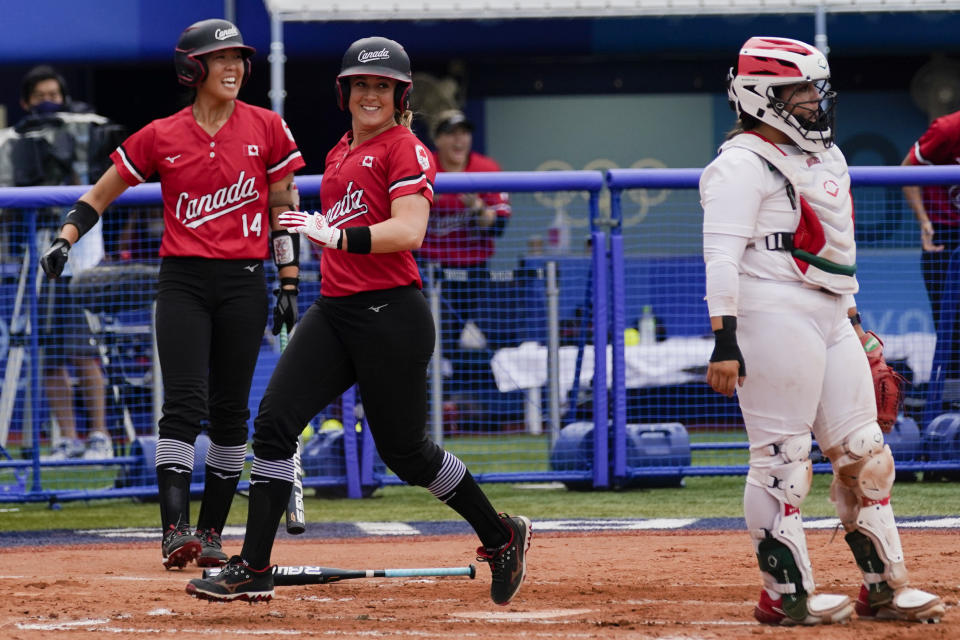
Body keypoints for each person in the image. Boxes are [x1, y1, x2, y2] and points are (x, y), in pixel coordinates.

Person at [184, 36, 531, 606]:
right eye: (362, 84)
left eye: (383, 86)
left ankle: (500, 535)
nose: (371, 94)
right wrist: (323, 237)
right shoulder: (341, 149)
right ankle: (253, 566)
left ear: (400, 96)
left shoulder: (407, 149)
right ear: (345, 92)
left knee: (407, 453)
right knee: (272, 425)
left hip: (392, 314)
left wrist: (336, 234)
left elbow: (409, 230)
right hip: (337, 310)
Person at [38, 19, 306, 571]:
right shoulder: (162, 134)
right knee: (183, 404)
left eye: (239, 58)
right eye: (220, 58)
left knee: (232, 414)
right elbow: (100, 193)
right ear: (193, 68)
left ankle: (210, 533)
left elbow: (283, 208)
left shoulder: (268, 127)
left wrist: (288, 281)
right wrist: (65, 240)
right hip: (182, 280)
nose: (233, 68)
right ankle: (173, 532)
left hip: (242, 282)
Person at [701, 36, 945, 626]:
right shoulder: (738, 163)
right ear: (763, 97)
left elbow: (838, 249)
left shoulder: (827, 158)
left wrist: (855, 321)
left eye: (816, 88)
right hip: (769, 310)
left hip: (831, 310)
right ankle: (783, 595)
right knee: (783, 461)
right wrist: (724, 339)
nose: (815, 101)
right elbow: (721, 257)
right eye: (801, 90)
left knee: (866, 454)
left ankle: (883, 586)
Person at [0, 65, 114, 461]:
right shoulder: (17, 141)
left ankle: (100, 436)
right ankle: (67, 439)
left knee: (84, 352)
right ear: (26, 102)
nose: (49, 101)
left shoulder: (85, 131)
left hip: (83, 264)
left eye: (55, 94)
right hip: (39, 264)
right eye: (40, 96)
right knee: (48, 354)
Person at [418, 110, 511, 423]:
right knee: (425, 341)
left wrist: (478, 207)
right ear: (438, 139)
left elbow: (498, 226)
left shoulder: (485, 169)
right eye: (450, 133)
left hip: (474, 271)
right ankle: (428, 409)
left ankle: (472, 413)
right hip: (428, 268)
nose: (459, 139)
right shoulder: (423, 165)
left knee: (471, 344)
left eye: (464, 132)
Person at [901, 110, 960, 389]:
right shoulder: (948, 129)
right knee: (953, 330)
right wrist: (924, 222)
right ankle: (951, 408)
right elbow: (907, 170)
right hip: (945, 240)